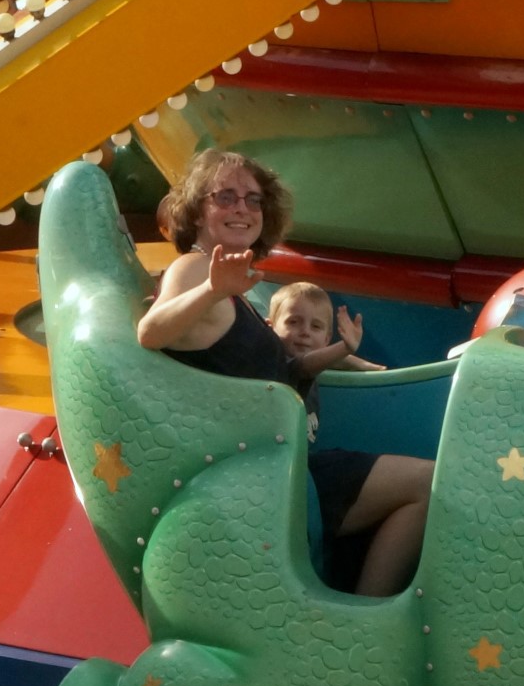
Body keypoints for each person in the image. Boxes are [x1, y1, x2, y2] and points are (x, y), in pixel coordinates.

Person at [137, 148, 429, 597]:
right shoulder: (195, 269)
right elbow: (151, 332)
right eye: (226, 197)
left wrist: (343, 353)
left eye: (253, 200)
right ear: (197, 210)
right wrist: (212, 289)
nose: (243, 209)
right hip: (271, 474)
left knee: (427, 481)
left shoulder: (236, 291)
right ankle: (369, 614)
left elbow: (284, 369)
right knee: (428, 484)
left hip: (290, 460)